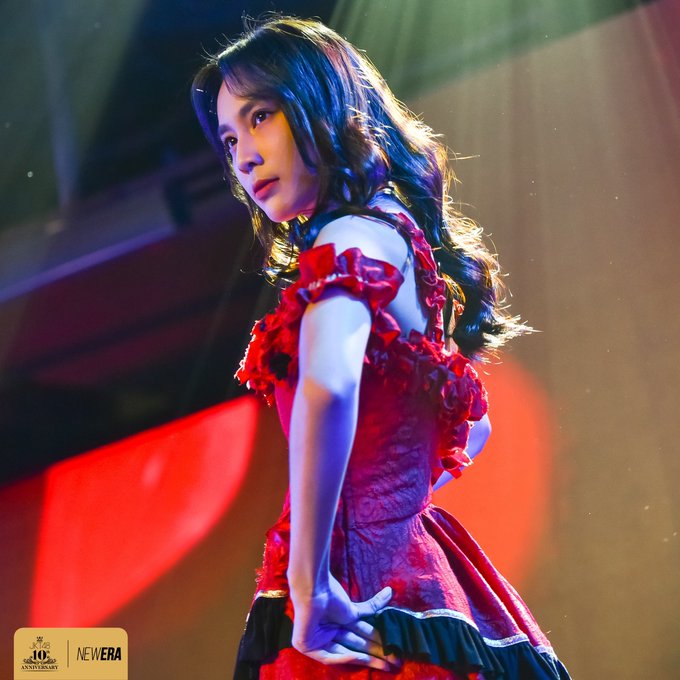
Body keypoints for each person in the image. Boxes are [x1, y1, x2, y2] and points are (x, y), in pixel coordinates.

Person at [192, 15, 571, 680]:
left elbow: (330, 384)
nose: (243, 156)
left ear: (319, 103)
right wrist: (392, 497)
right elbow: (474, 427)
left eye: (260, 117)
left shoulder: (351, 238)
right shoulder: (392, 235)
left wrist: (310, 583)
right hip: (413, 577)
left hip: (360, 599)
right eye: (229, 139)